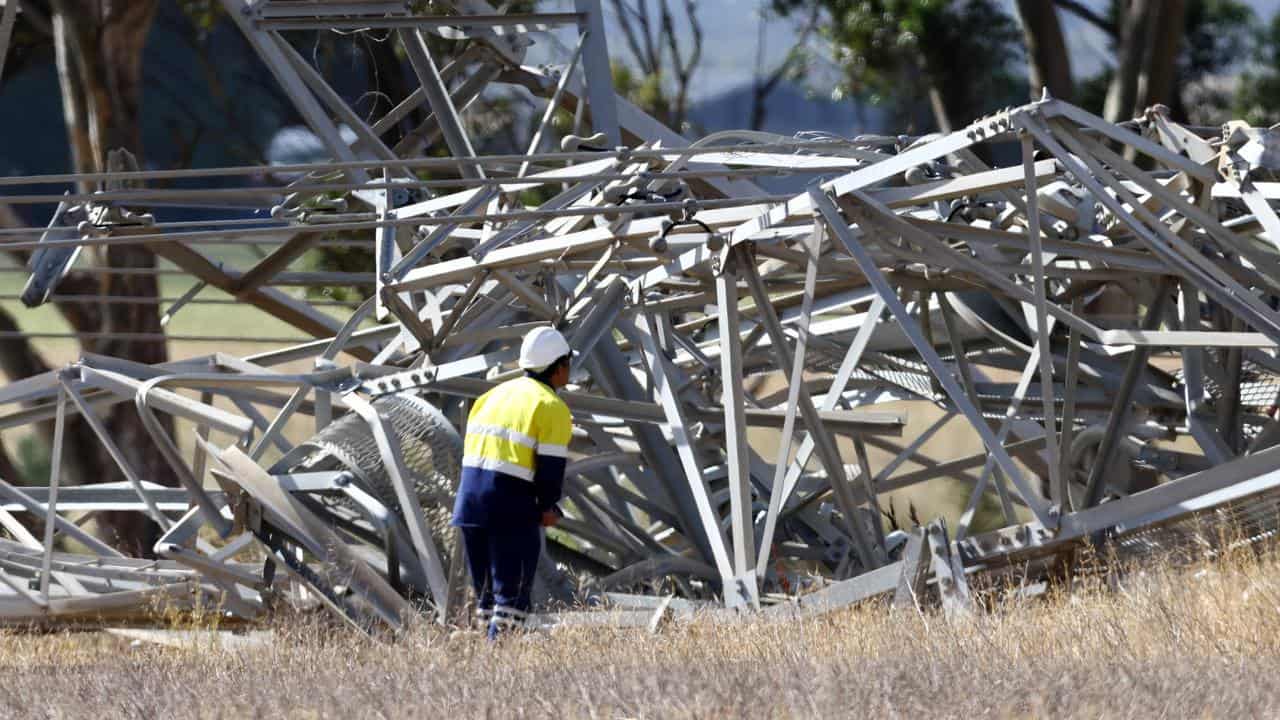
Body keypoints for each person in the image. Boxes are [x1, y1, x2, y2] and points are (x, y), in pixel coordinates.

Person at [451, 326, 574, 640]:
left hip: (469, 507)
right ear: (559, 366)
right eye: (568, 362)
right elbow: (549, 469)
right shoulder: (550, 406)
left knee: (488, 602)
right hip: (509, 509)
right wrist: (547, 506)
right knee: (512, 602)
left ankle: (481, 667)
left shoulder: (490, 396)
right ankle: (498, 672)